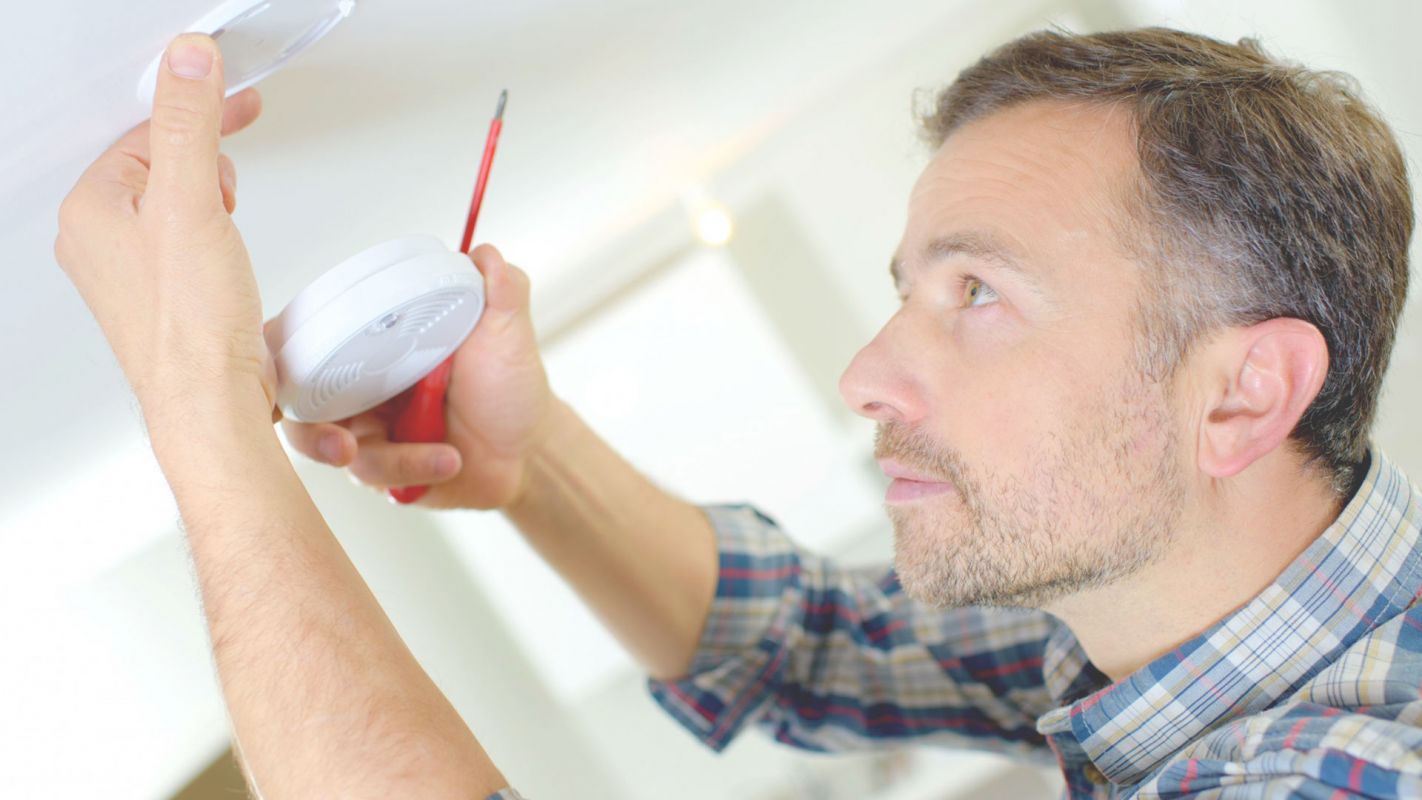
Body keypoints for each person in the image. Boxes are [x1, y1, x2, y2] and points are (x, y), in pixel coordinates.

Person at [54, 23, 1418, 800]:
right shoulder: (1159, 614)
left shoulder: (1349, 773)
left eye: (978, 295)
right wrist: (530, 464)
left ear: (1240, 394)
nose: (866, 373)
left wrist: (204, 414)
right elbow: (812, 647)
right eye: (908, 292)